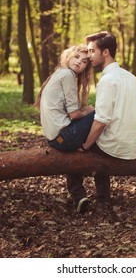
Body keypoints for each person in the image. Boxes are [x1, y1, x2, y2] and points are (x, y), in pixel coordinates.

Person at [77, 31, 136, 211]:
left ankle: (80, 196)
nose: (89, 56)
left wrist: (85, 145)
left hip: (115, 145)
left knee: (73, 147)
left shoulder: (107, 80)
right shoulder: (130, 77)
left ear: (105, 52)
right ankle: (102, 199)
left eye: (92, 51)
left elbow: (102, 121)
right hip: (132, 143)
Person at [35, 44, 95, 213]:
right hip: (65, 136)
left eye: (84, 61)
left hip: (56, 140)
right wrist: (88, 111)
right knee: (102, 114)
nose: (79, 62)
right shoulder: (67, 75)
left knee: (73, 153)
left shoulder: (58, 73)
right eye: (76, 57)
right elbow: (75, 115)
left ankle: (78, 196)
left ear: (85, 68)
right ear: (68, 56)